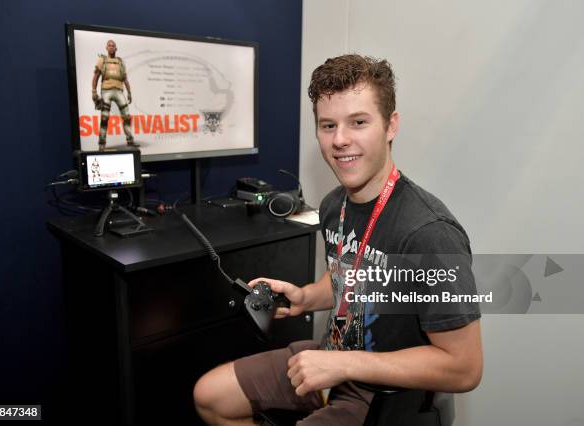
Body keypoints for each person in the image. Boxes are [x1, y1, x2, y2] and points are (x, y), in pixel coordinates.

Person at [193, 54, 483, 425]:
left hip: (381, 389)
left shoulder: (428, 233)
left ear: (391, 125)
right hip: (333, 356)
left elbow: (465, 368)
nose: (340, 139)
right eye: (328, 125)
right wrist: (306, 297)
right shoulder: (334, 205)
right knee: (210, 397)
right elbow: (352, 273)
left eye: (358, 122)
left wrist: (342, 364)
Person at [91, 39, 137, 150]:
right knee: (105, 117)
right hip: (106, 90)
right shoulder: (102, 60)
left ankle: (130, 140)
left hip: (118, 91)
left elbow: (125, 79)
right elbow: (96, 76)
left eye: (113, 46)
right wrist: (94, 91)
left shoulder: (120, 61)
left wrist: (129, 92)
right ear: (106, 48)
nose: (111, 47)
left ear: (116, 48)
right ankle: (102, 144)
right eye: (109, 45)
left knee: (126, 115)